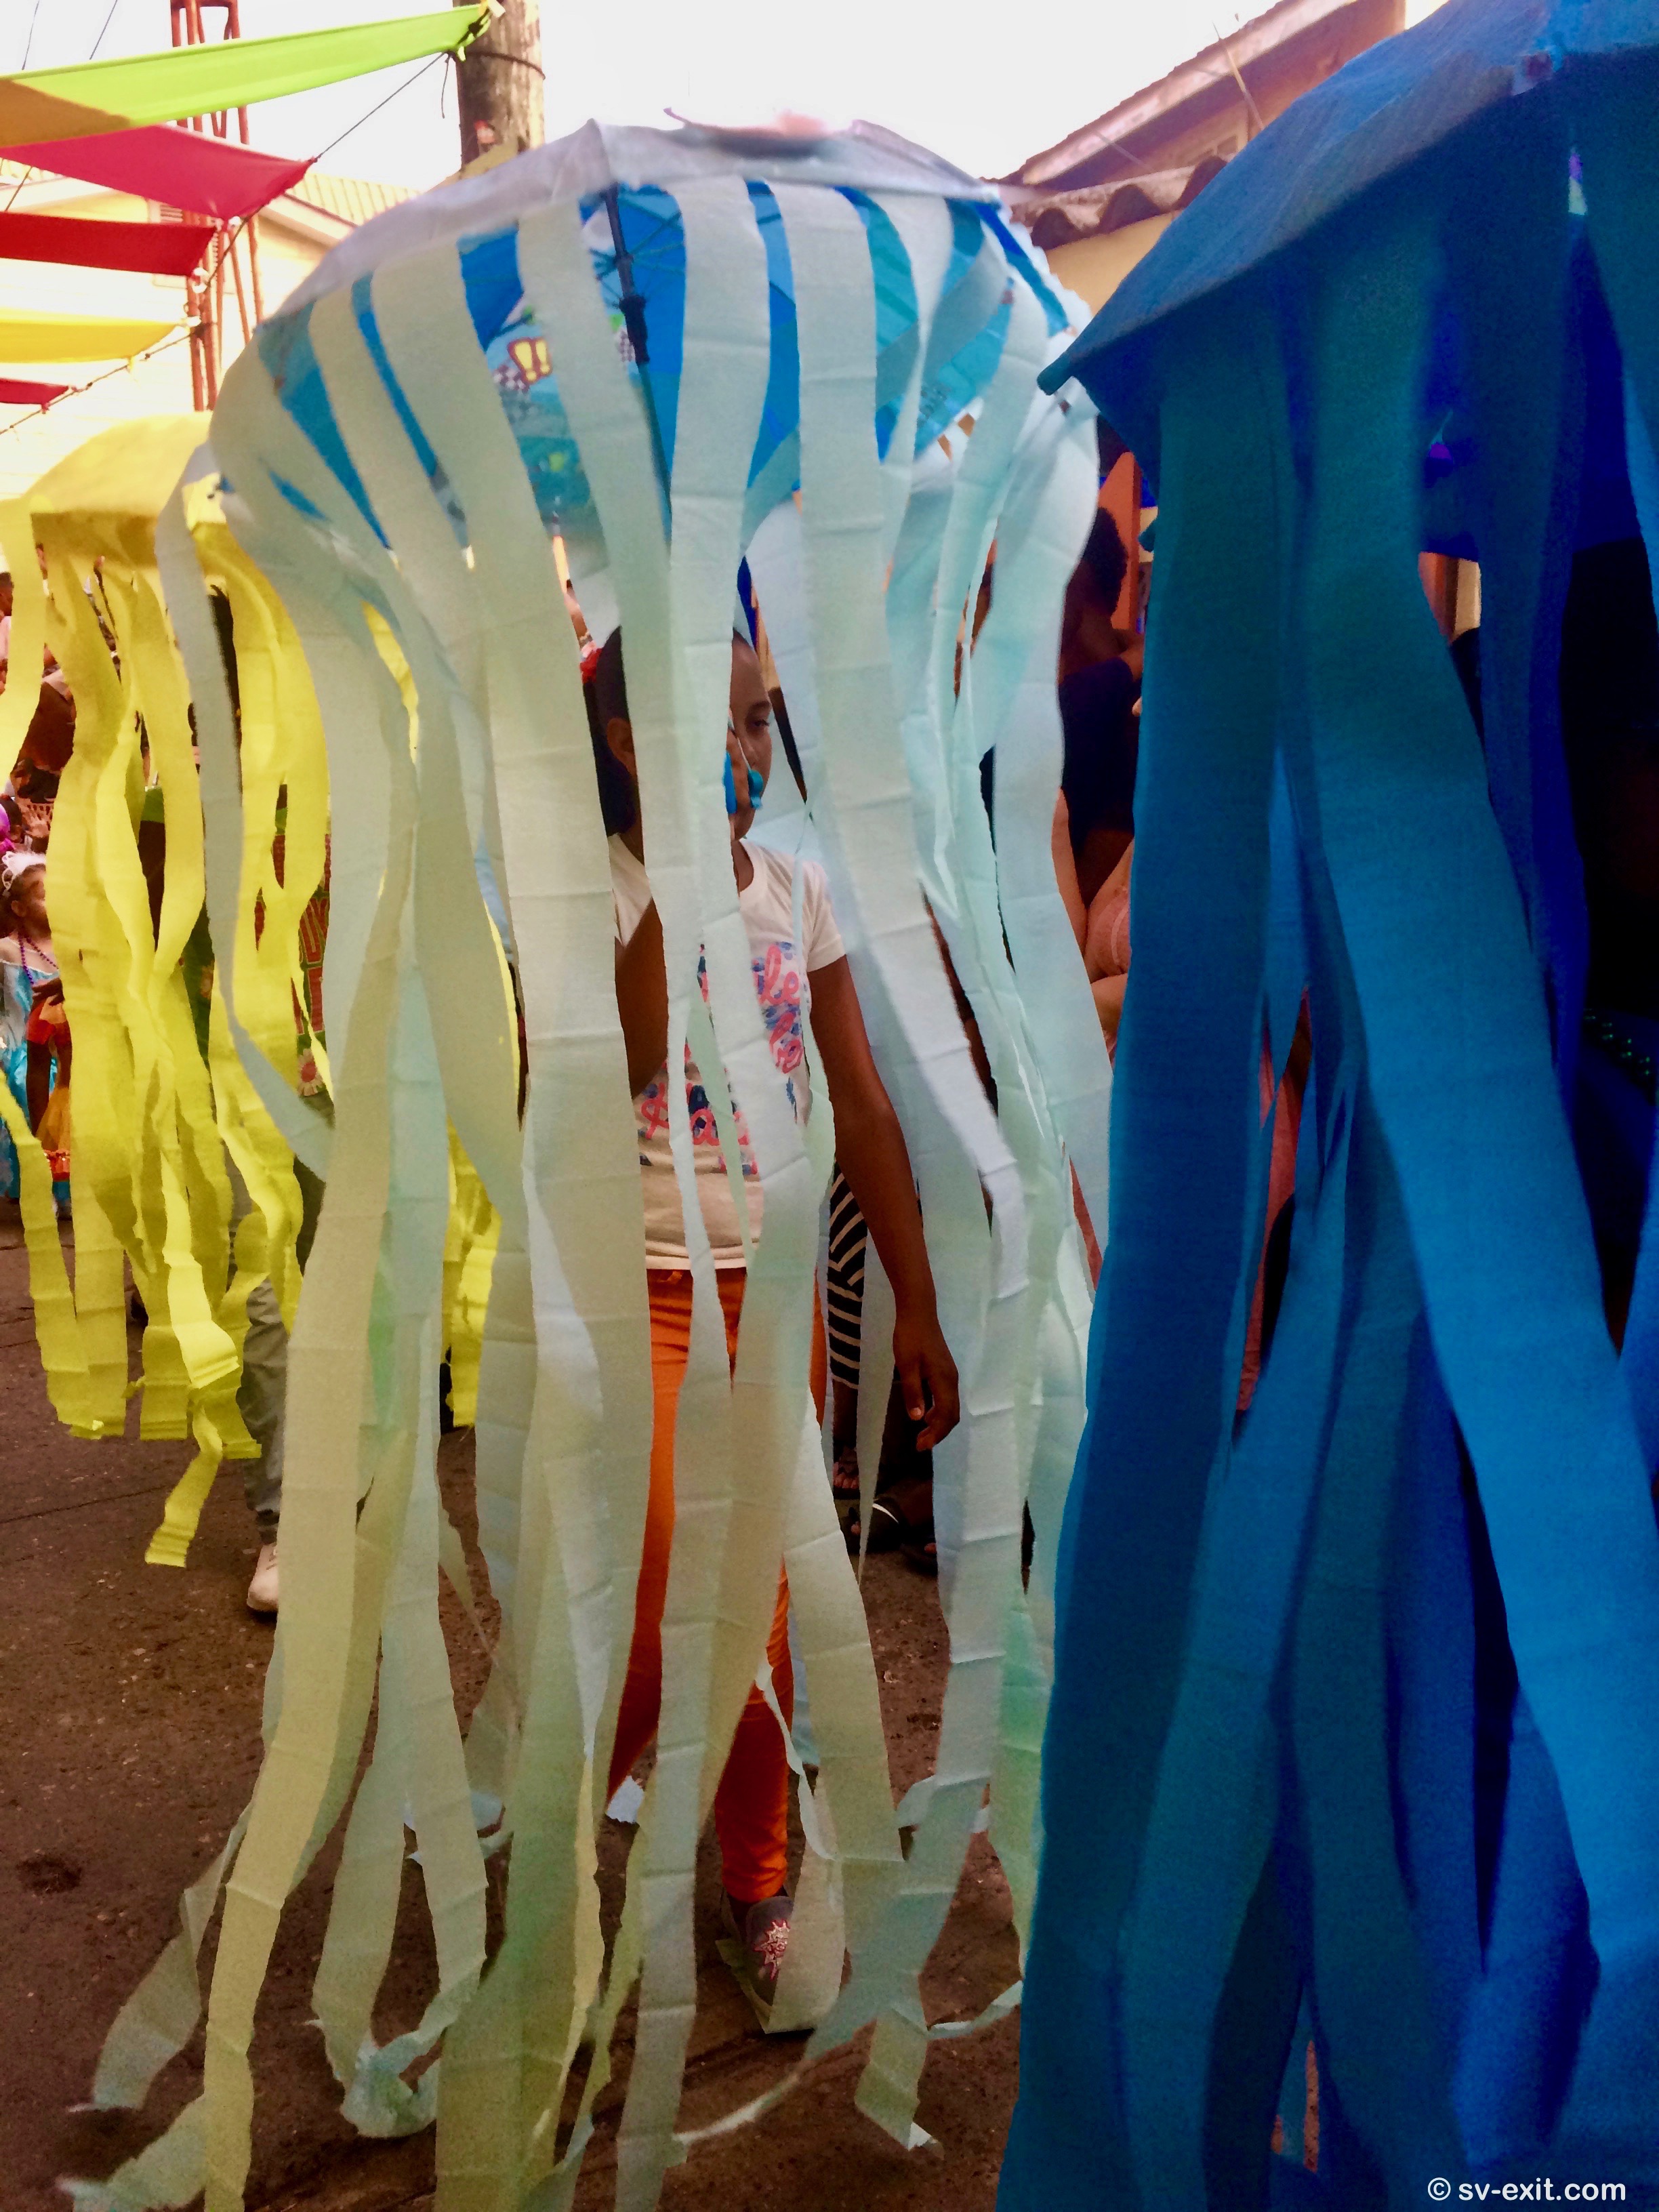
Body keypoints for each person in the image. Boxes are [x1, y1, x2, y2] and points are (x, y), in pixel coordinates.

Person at [593, 623, 959, 2009]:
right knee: (663, 1595)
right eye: (714, 721)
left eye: (756, 720)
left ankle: (756, 1882)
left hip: (779, 1292)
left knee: (767, 1599)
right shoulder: (600, 885)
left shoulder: (799, 893)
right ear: (630, 743)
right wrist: (682, 884)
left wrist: (917, 1300)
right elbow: (626, 1059)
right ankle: (566, 1817)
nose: (744, 747)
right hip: (646, 1291)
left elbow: (859, 1102)